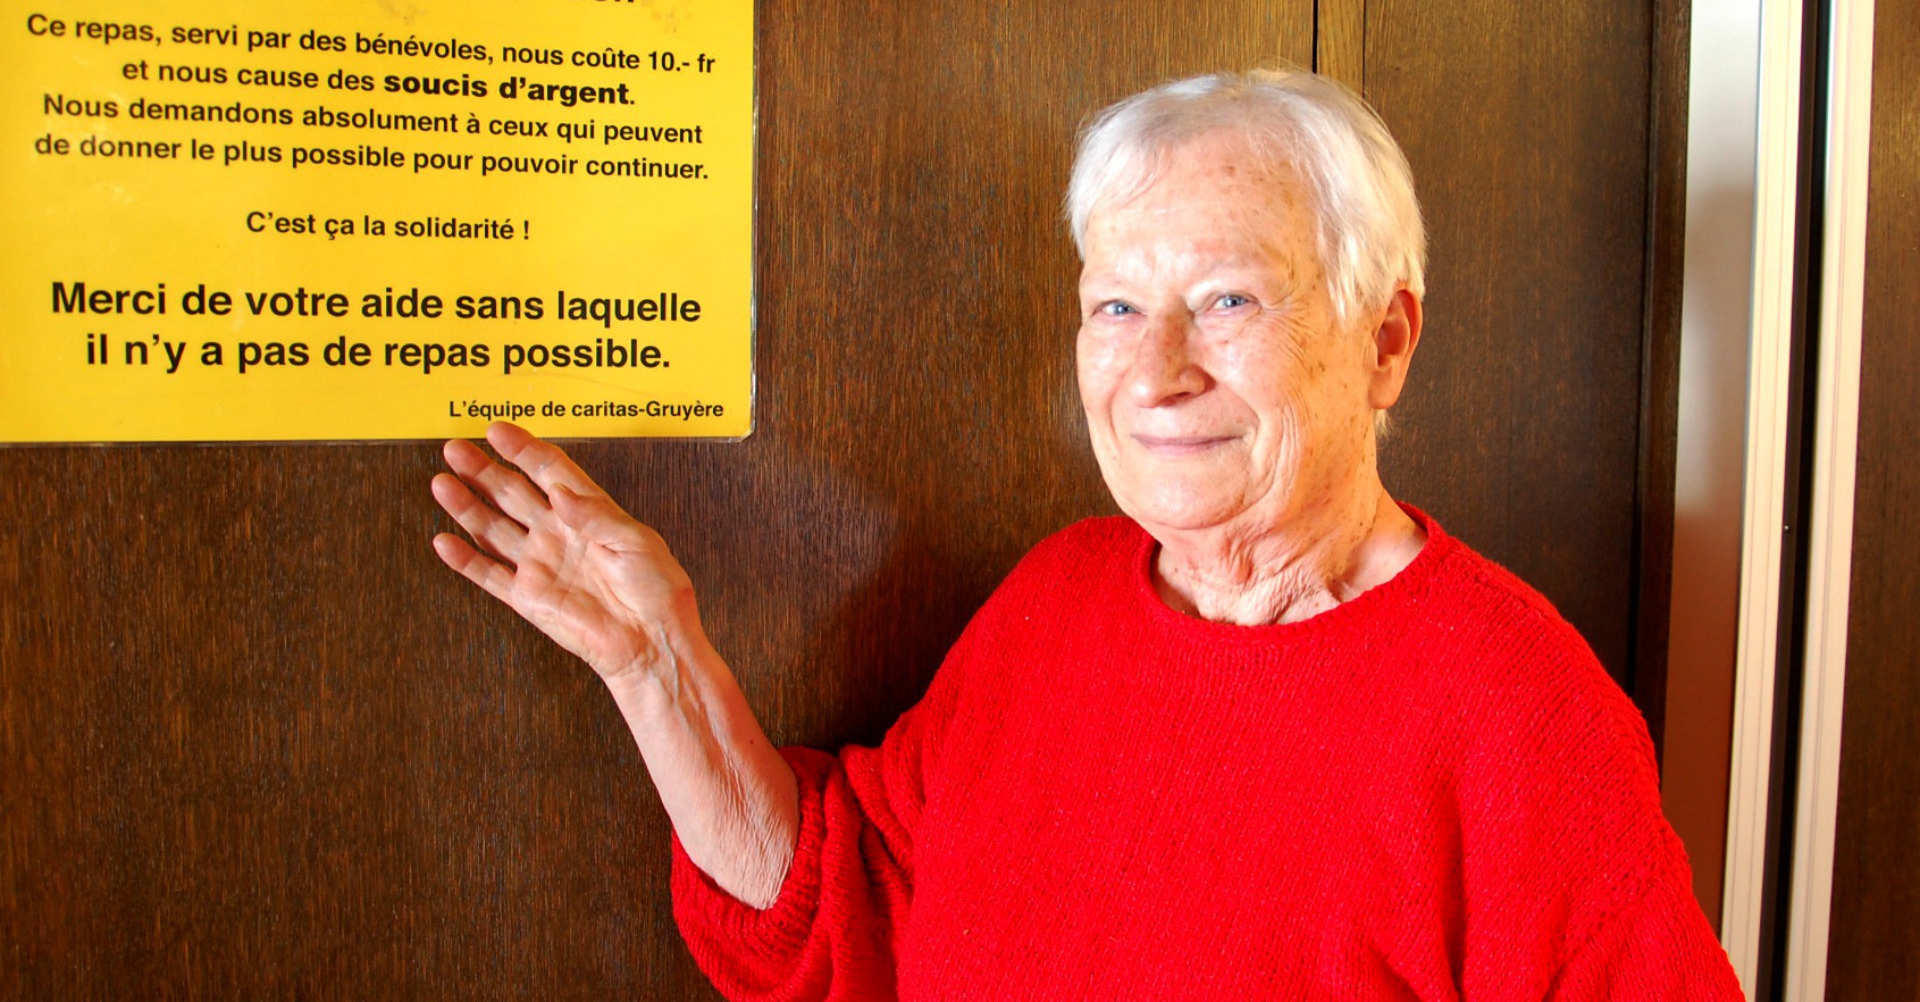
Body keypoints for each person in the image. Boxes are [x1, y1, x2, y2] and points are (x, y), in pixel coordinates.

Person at [430, 69, 1744, 999]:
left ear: (1385, 339)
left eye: (1226, 299)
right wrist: (656, 660)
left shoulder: (1519, 714)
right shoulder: (1060, 597)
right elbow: (851, 914)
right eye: (1115, 308)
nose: (1156, 371)